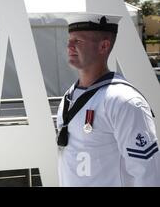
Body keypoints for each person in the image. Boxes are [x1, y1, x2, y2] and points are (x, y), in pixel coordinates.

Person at [57, 12, 160, 186]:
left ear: (104, 46)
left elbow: (148, 173)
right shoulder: (69, 96)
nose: (69, 46)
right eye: (69, 40)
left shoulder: (124, 101)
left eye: (78, 41)